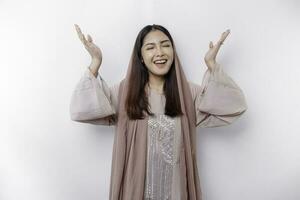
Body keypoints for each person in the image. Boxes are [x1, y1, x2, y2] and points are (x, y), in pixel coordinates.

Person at [69, 24, 248, 200]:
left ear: (173, 51)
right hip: (136, 191)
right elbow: (82, 110)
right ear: (140, 56)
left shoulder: (188, 94)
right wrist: (95, 63)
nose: (160, 52)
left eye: (165, 45)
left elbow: (234, 106)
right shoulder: (125, 93)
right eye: (150, 47)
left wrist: (212, 64)